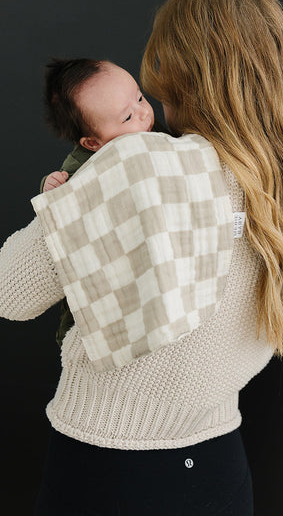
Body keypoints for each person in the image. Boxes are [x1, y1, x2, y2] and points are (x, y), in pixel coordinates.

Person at [0, 0, 283, 515]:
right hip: (219, 467)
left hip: (112, 467)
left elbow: (8, 297)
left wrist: (65, 199)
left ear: (175, 68)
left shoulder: (137, 166)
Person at [37, 58, 170, 355]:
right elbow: (62, 201)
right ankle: (71, 334)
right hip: (101, 257)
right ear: (93, 143)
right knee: (86, 299)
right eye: (127, 117)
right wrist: (52, 187)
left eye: (139, 97)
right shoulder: (84, 163)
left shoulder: (151, 132)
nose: (144, 113)